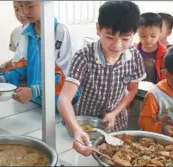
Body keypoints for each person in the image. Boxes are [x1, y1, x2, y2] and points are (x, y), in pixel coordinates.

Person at [57, 1, 146, 156]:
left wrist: (114, 112)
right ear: (98, 29)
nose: (117, 45)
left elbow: (132, 91)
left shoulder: (134, 56)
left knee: (114, 158)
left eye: (126, 39)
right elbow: (64, 99)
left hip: (117, 123)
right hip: (86, 123)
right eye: (110, 37)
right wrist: (76, 130)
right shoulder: (84, 56)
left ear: (134, 34)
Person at [0, 0, 78, 107]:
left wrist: (35, 90)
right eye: (21, 6)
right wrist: (1, 80)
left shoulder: (60, 32)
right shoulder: (27, 33)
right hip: (37, 103)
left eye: (30, 6)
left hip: (60, 105)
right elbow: (21, 65)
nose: (24, 12)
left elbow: (66, 75)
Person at [136, 12, 167, 84]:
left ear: (160, 31)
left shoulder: (165, 54)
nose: (148, 40)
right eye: (143, 36)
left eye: (153, 36)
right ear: (137, 31)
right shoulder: (132, 51)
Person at [1, 1, 29, 71]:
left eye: (25, 9)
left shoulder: (43, 33)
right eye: (16, 9)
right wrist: (9, 65)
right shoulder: (15, 33)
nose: (21, 14)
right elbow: (18, 57)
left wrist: (8, 64)